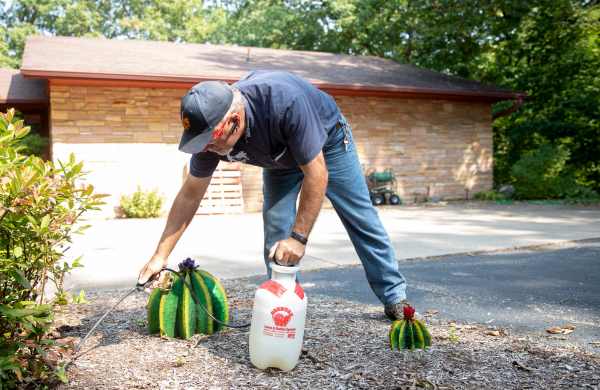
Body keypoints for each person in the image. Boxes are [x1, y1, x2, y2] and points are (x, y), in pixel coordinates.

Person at [137, 70, 410, 319]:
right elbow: (190, 194)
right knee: (276, 232)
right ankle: (285, 310)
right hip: (278, 157)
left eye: (209, 141)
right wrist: (160, 255)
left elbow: (317, 173)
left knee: (359, 216)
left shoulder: (284, 103)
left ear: (234, 121)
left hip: (329, 142)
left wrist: (299, 237)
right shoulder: (210, 131)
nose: (205, 148)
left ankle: (395, 296)